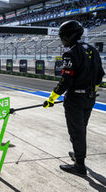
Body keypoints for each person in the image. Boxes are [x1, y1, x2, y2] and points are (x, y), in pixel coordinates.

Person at [43, 20, 104, 176]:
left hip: (75, 99)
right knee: (81, 130)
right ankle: (78, 154)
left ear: (70, 35)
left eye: (64, 37)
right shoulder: (92, 49)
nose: (63, 40)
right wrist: (90, 90)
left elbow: (66, 80)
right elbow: (100, 75)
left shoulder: (70, 53)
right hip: (90, 98)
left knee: (76, 132)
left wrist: (51, 98)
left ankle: (79, 166)